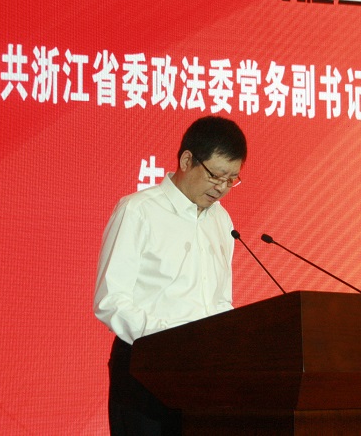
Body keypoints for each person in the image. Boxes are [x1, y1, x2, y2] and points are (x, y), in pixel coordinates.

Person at [94, 115, 247, 436]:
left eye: (232, 179)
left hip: (203, 376)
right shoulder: (138, 210)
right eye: (216, 176)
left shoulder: (221, 220)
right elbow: (111, 300)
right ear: (187, 160)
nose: (222, 188)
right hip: (145, 370)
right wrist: (171, 344)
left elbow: (220, 301)